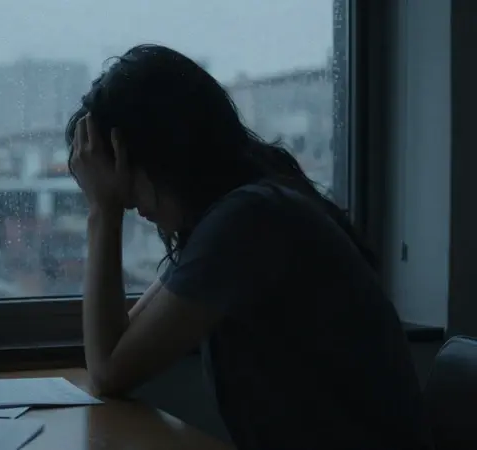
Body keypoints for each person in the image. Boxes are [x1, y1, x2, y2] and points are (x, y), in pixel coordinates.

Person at [66, 44, 433, 450]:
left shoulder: (248, 220)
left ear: (159, 154)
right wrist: (107, 205)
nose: (130, 202)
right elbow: (120, 346)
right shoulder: (240, 212)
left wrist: (104, 210)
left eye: (121, 173)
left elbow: (109, 370)